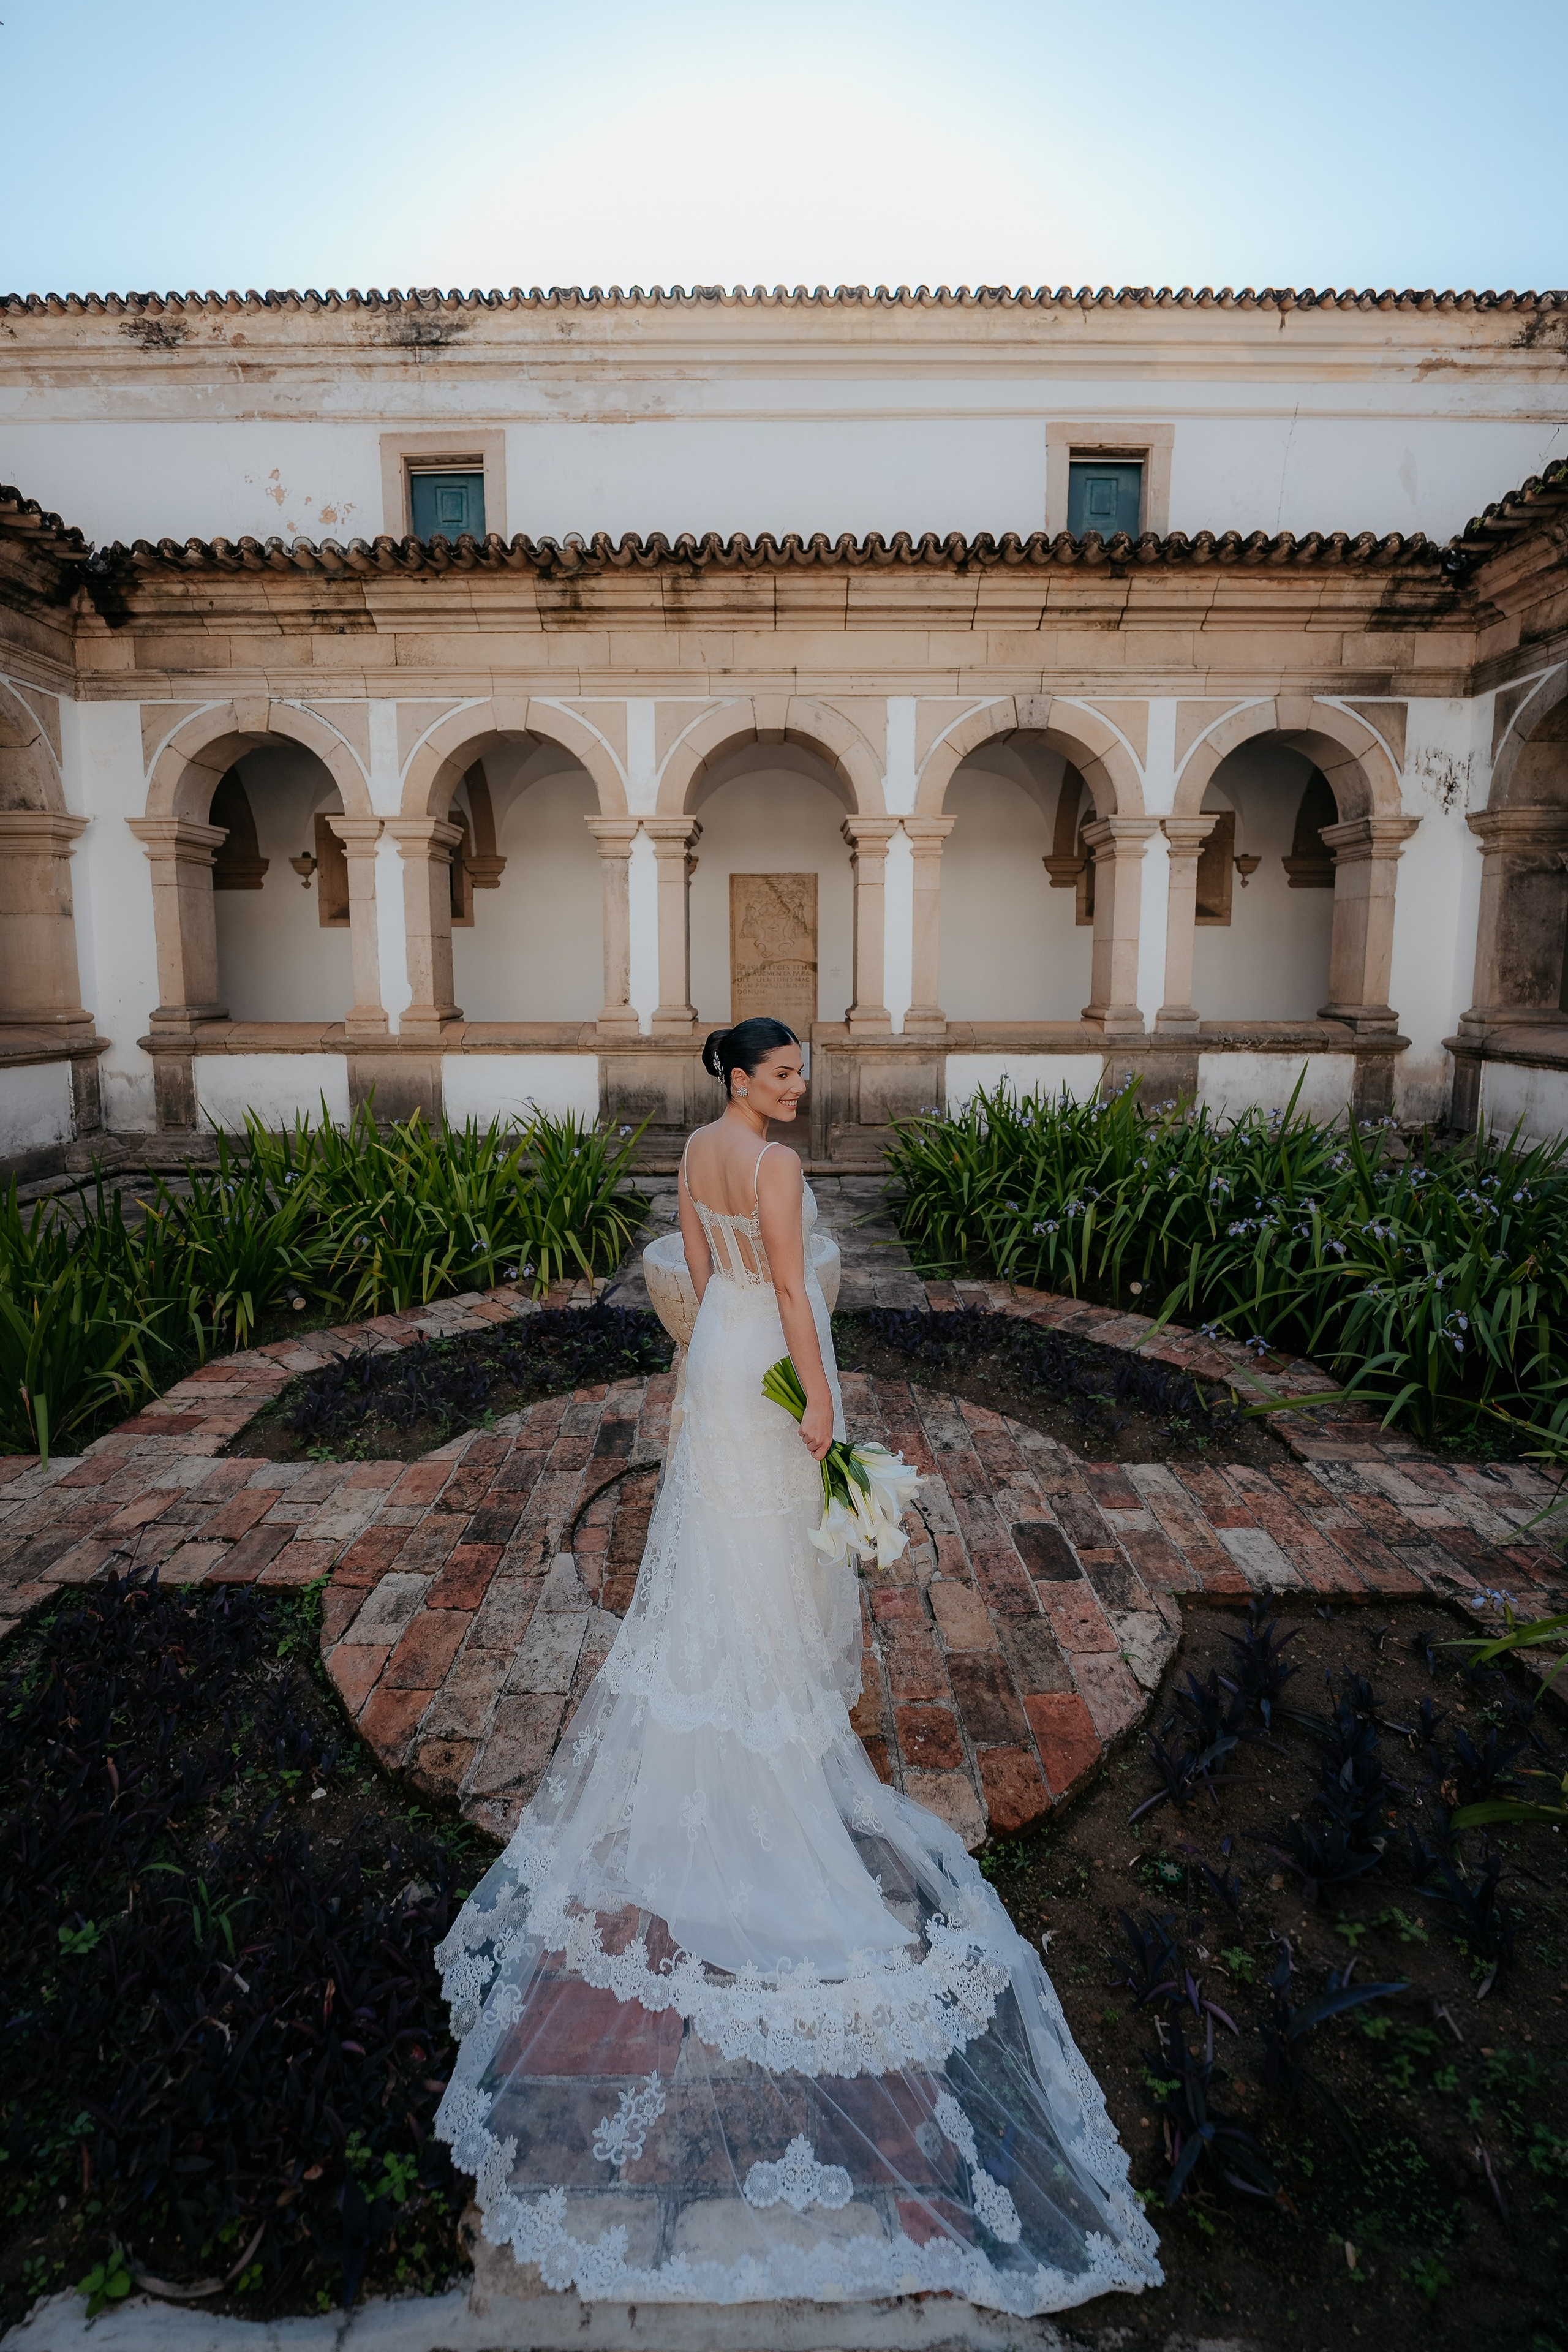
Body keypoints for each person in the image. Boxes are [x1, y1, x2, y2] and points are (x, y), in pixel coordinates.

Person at [435, 1017, 1161, 2315]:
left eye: (797, 1077)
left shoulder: (695, 1152)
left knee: (712, 1560)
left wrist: (757, 1376)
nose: (796, 1091)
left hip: (709, 1368)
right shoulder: (775, 1170)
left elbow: (706, 1281)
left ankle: (720, 1739)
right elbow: (786, 1289)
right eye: (779, 1076)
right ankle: (768, 1748)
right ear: (736, 1076)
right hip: (766, 1366)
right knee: (768, 1563)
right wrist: (824, 1410)